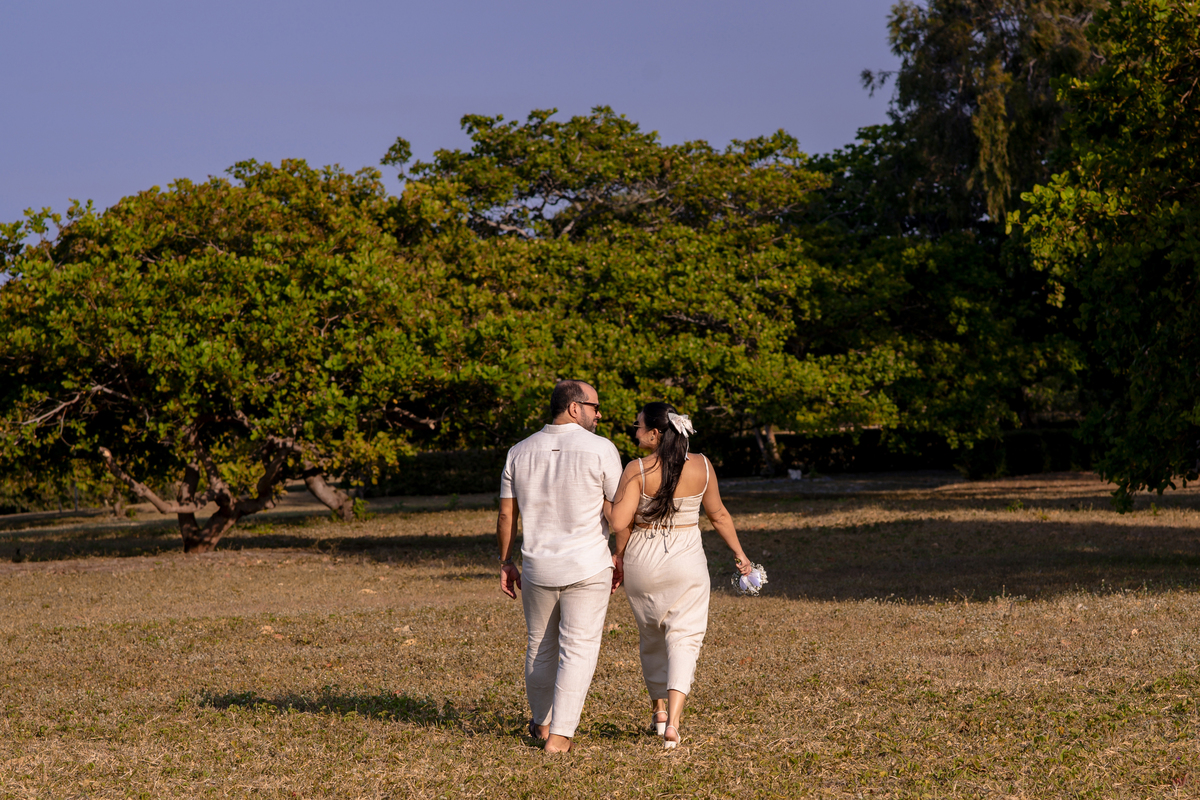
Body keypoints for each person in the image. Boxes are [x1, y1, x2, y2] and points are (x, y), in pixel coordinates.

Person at [609, 401, 754, 750]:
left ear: (656, 433)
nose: (635, 431)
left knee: (651, 637)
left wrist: (619, 554)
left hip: (643, 559)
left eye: (639, 425)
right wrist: (740, 554)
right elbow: (718, 515)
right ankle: (673, 722)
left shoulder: (637, 469)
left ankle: (657, 711)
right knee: (684, 639)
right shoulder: (702, 465)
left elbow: (618, 522)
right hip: (686, 559)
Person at [496, 379, 624, 754]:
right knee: (578, 648)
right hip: (587, 564)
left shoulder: (518, 451)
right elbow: (619, 513)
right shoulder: (601, 449)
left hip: (537, 566)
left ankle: (542, 722)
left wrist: (506, 561)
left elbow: (507, 515)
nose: (599, 414)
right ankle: (561, 736)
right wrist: (621, 555)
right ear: (574, 407)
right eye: (595, 407)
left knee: (540, 645)